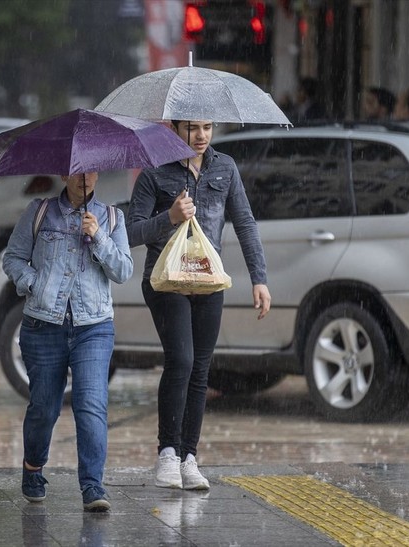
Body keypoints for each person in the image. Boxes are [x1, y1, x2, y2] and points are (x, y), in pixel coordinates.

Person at [126, 119, 271, 491]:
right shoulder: (154, 171)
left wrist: (259, 278)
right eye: (192, 128)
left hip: (208, 281)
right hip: (165, 281)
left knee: (201, 370)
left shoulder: (225, 167)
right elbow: (130, 231)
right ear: (174, 128)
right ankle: (167, 454)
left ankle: (190, 457)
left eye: (208, 127)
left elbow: (245, 221)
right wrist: (169, 218)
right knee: (182, 360)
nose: (202, 135)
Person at [2, 172, 133, 512]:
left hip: (94, 327)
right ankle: (33, 468)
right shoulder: (40, 212)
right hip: (43, 325)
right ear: (65, 173)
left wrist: (100, 237)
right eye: (79, 171)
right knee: (44, 408)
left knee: (91, 406)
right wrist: (34, 282)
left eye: (92, 171)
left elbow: (123, 271)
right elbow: (12, 258)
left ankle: (93, 487)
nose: (86, 178)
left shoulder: (112, 217)